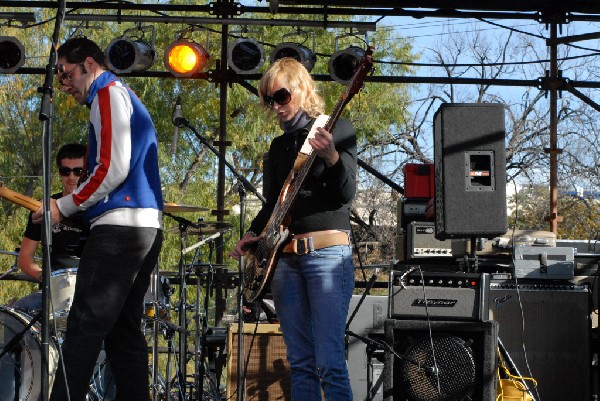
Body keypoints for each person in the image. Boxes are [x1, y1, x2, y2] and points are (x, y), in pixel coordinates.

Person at [32, 37, 164, 401]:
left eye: (66, 73)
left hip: (121, 229)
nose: (64, 84)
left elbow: (112, 167)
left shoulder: (107, 94)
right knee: (123, 333)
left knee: (83, 328)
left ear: (90, 64)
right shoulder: (120, 96)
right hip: (143, 228)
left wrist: (65, 205)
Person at [229, 57, 357, 401]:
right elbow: (273, 204)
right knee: (300, 362)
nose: (275, 106)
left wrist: (331, 156)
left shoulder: (336, 129)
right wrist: (252, 235)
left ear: (300, 89)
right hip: (285, 259)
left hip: (327, 254)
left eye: (281, 96)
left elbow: (345, 195)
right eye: (269, 100)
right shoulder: (278, 146)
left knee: (330, 362)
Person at [12, 143, 86, 312]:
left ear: (87, 172)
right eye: (65, 171)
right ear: (59, 173)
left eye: (78, 171)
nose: (71, 177)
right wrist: (46, 278)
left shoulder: (99, 207)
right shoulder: (43, 208)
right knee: (17, 311)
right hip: (54, 291)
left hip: (92, 290)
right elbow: (25, 258)